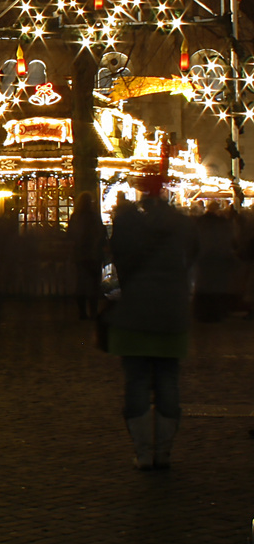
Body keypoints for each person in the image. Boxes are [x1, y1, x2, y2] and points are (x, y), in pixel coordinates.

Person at [108, 187, 194, 471]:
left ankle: (144, 452)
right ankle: (164, 451)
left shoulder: (127, 228)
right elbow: (192, 259)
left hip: (134, 313)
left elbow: (115, 263)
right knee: (168, 381)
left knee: (136, 382)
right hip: (171, 313)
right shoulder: (182, 228)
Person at [66, 191, 105, 320]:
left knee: (81, 283)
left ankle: (82, 312)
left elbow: (70, 234)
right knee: (94, 284)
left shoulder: (76, 217)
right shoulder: (94, 217)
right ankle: (93, 311)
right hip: (93, 254)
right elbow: (100, 234)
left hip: (80, 254)